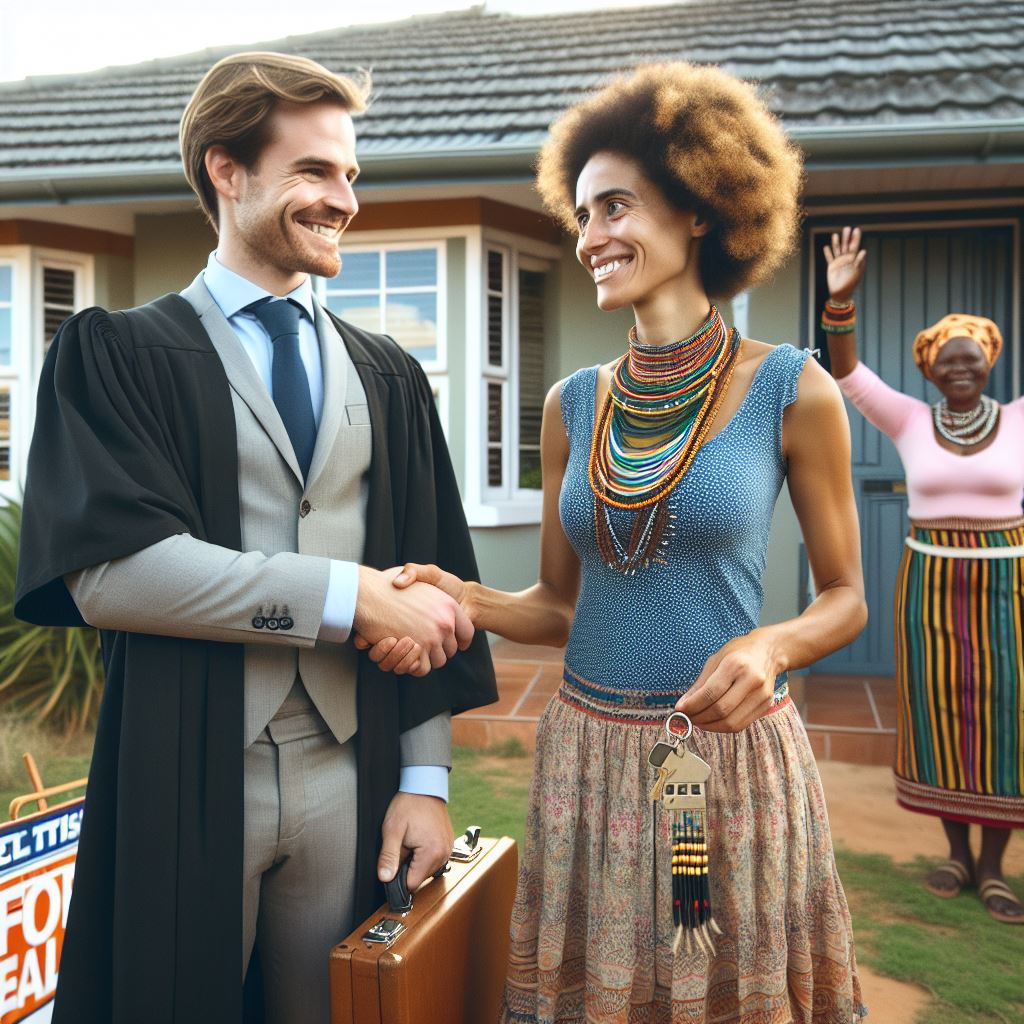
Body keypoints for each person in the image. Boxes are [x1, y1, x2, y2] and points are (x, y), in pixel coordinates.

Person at [361, 62, 869, 1021]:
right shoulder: (573, 405)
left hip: (726, 764)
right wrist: (464, 596)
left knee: (722, 984)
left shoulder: (792, 389)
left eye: (617, 209)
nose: (591, 237)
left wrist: (772, 644)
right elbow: (559, 608)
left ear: (702, 212)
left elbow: (847, 595)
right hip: (584, 763)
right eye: (583, 214)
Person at [14, 51, 497, 1024]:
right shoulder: (118, 355)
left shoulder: (389, 374)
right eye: (315, 171)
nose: (344, 198)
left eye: (350, 174)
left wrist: (426, 777)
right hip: (188, 767)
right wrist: (343, 592)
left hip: (346, 772)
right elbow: (114, 573)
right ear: (226, 171)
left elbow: (433, 580)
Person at [822, 226, 1024, 925]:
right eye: (948, 362)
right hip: (930, 585)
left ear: (989, 363)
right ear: (931, 371)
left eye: (972, 359)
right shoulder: (909, 421)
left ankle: (996, 867)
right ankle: (954, 853)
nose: (961, 369)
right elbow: (847, 375)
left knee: (1005, 717)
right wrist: (839, 301)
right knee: (937, 711)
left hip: (1007, 590)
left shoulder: (1020, 421)